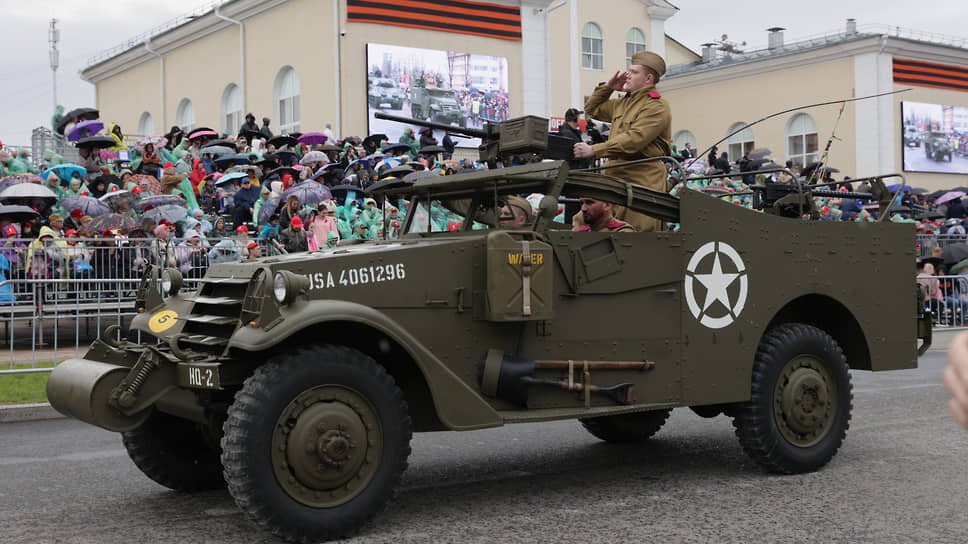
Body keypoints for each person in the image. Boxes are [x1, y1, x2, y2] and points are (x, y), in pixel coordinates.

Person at [575, 51, 671, 232]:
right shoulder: (623, 103)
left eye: (634, 72)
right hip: (616, 178)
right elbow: (592, 108)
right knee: (608, 234)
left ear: (648, 78)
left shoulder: (656, 106)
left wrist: (595, 150)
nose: (627, 75)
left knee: (636, 237)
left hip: (642, 180)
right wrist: (609, 87)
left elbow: (634, 139)